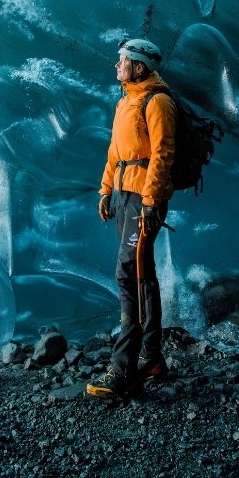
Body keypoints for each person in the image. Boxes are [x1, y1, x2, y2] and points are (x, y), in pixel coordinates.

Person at [86, 38, 176, 399]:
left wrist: (151, 201)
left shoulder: (158, 102)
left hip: (143, 199)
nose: (116, 65)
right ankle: (153, 359)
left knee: (130, 274)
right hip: (125, 194)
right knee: (141, 276)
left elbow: (163, 154)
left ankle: (123, 368)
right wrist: (105, 189)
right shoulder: (127, 101)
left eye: (121, 60)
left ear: (139, 66)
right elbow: (115, 151)